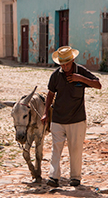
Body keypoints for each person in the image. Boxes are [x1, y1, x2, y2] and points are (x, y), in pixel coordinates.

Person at [41, 46, 101, 187]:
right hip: (58, 118)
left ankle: (75, 177)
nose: (65, 66)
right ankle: (53, 177)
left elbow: (98, 85)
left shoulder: (81, 71)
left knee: (75, 149)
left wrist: (80, 78)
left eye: (67, 63)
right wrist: (45, 113)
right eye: (62, 64)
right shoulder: (56, 75)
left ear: (73, 60)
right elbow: (50, 94)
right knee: (56, 148)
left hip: (77, 119)